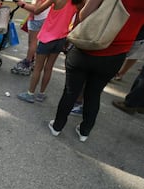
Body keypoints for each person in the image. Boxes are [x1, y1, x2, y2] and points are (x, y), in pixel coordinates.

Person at [49, 0, 144, 142]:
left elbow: (84, 14)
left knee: (70, 91)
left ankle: (57, 126)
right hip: (116, 53)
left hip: (87, 47)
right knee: (94, 94)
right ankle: (84, 131)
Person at [17, 0, 82, 103]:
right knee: (49, 67)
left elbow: (37, 10)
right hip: (61, 37)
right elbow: (77, 21)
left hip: (47, 37)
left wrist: (24, 4)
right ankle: (41, 94)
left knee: (38, 67)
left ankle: (30, 93)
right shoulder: (78, 2)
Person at [11, 0, 50, 76]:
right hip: (44, 17)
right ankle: (32, 60)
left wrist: (22, 4)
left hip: (37, 19)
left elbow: (36, 10)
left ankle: (27, 63)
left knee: (32, 42)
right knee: (35, 42)